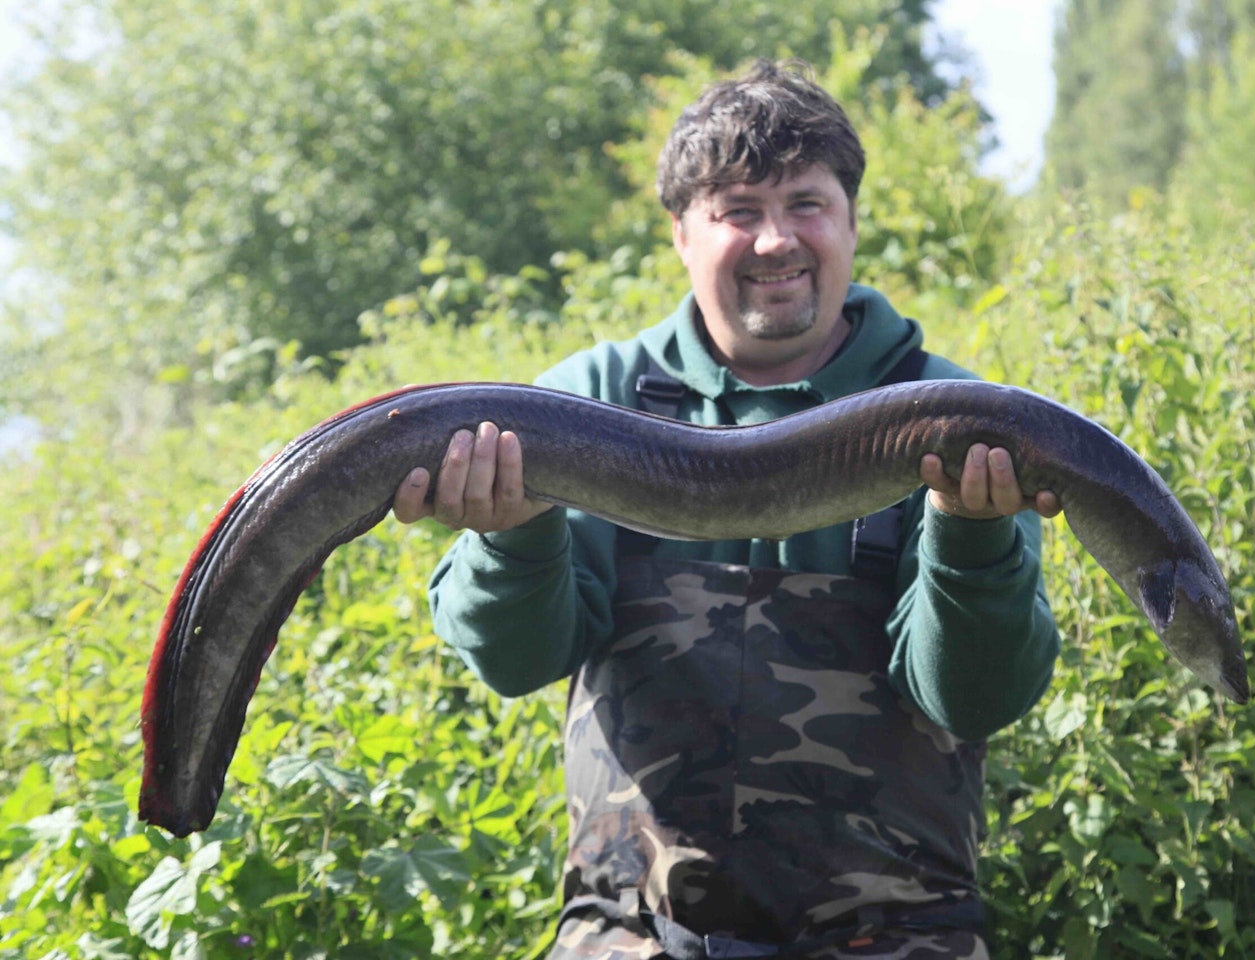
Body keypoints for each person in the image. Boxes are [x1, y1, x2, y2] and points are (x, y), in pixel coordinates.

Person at [394, 59, 1061, 960]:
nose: (776, 240)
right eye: (738, 210)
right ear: (680, 233)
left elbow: (977, 698)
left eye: (806, 205)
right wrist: (513, 541)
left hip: (898, 938)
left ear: (852, 220)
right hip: (632, 934)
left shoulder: (949, 418)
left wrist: (972, 538)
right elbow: (516, 663)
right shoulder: (591, 400)